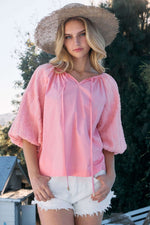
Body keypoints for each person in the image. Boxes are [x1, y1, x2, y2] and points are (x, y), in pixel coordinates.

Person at [8, 3, 127, 225]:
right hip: (52, 183)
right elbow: (27, 130)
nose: (77, 42)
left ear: (92, 37)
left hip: (92, 183)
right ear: (62, 41)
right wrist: (34, 176)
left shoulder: (106, 84)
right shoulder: (45, 76)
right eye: (69, 36)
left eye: (82, 35)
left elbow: (109, 136)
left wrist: (110, 176)